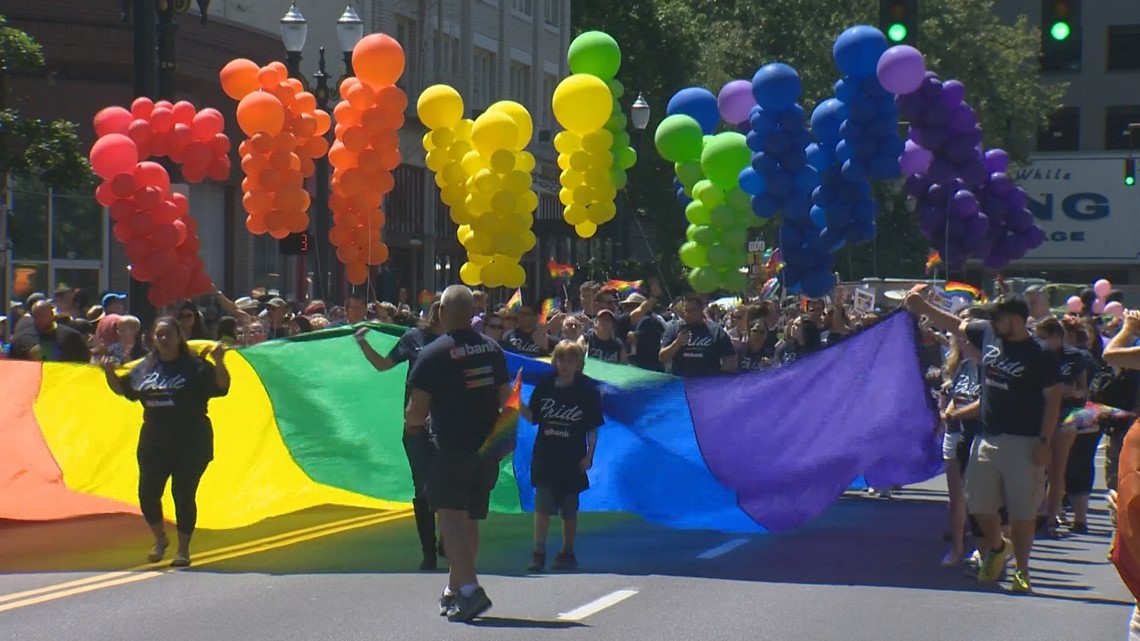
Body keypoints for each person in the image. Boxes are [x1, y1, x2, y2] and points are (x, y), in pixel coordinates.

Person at [907, 292, 1062, 593]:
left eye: (998, 316)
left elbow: (1053, 399)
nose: (991, 321)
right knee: (978, 504)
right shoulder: (990, 333)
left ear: (1016, 320)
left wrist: (1045, 441)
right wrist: (922, 306)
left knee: (1021, 514)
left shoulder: (1039, 353)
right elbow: (954, 325)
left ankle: (1022, 571)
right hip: (986, 438)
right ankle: (996, 546)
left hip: (1025, 441)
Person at [406, 285, 510, 622]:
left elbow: (417, 409)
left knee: (449, 515)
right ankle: (455, 588)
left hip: (451, 446)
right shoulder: (492, 349)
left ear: (442, 312)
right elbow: (505, 397)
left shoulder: (434, 353)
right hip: (487, 445)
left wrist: (414, 426)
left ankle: (470, 589)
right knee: (469, 518)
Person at [101, 317, 230, 567]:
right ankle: (160, 540)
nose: (163, 339)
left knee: (182, 494)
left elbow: (222, 387)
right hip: (154, 441)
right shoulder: (146, 367)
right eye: (159, 335)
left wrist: (220, 362)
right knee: (147, 494)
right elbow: (123, 390)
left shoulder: (196, 366)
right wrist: (108, 372)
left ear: (179, 337)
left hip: (191, 440)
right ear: (152, 339)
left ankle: (183, 550)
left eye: (168, 334)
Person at [356, 301, 445, 570]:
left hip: (449, 424)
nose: (440, 314)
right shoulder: (413, 338)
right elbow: (383, 365)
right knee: (423, 486)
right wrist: (362, 344)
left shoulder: (459, 340)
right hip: (416, 424)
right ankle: (429, 552)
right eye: (436, 309)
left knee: (447, 483)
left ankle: (448, 535)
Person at [520, 341, 603, 573]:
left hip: (572, 457)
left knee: (569, 508)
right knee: (543, 506)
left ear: (579, 364)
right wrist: (515, 403)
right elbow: (533, 417)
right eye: (561, 360)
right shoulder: (545, 387)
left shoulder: (586, 391)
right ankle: (539, 551)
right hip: (546, 455)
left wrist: (589, 455)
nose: (565, 365)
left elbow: (592, 427)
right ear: (554, 361)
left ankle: (567, 551)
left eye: (571, 361)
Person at [1035, 317, 1088, 537]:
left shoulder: (1074, 356)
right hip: (1038, 414)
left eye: (1044, 337)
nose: (1040, 342)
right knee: (1037, 469)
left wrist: (1069, 391)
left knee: (1058, 469)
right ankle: (1035, 513)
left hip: (1065, 415)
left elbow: (1082, 389)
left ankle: (1051, 518)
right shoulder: (1035, 355)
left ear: (1057, 336)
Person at [938, 323, 980, 567]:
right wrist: (947, 413)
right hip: (954, 435)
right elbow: (955, 397)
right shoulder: (963, 366)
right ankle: (956, 548)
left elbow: (984, 402)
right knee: (956, 497)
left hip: (977, 436)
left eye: (966, 339)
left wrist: (956, 414)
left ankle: (982, 548)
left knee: (980, 498)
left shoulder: (987, 368)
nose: (961, 343)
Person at [659, 294, 736, 376]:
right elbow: (662, 357)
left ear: (701, 309)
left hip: (708, 382)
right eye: (685, 311)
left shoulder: (715, 330)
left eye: (692, 310)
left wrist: (720, 378)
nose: (688, 314)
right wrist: (677, 343)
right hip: (682, 382)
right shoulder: (674, 329)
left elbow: (730, 357)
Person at [8, 300, 90, 362]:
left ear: (52, 315)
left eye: (42, 315)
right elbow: (14, 366)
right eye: (36, 316)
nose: (39, 319)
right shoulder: (21, 340)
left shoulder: (71, 337)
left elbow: (83, 363)